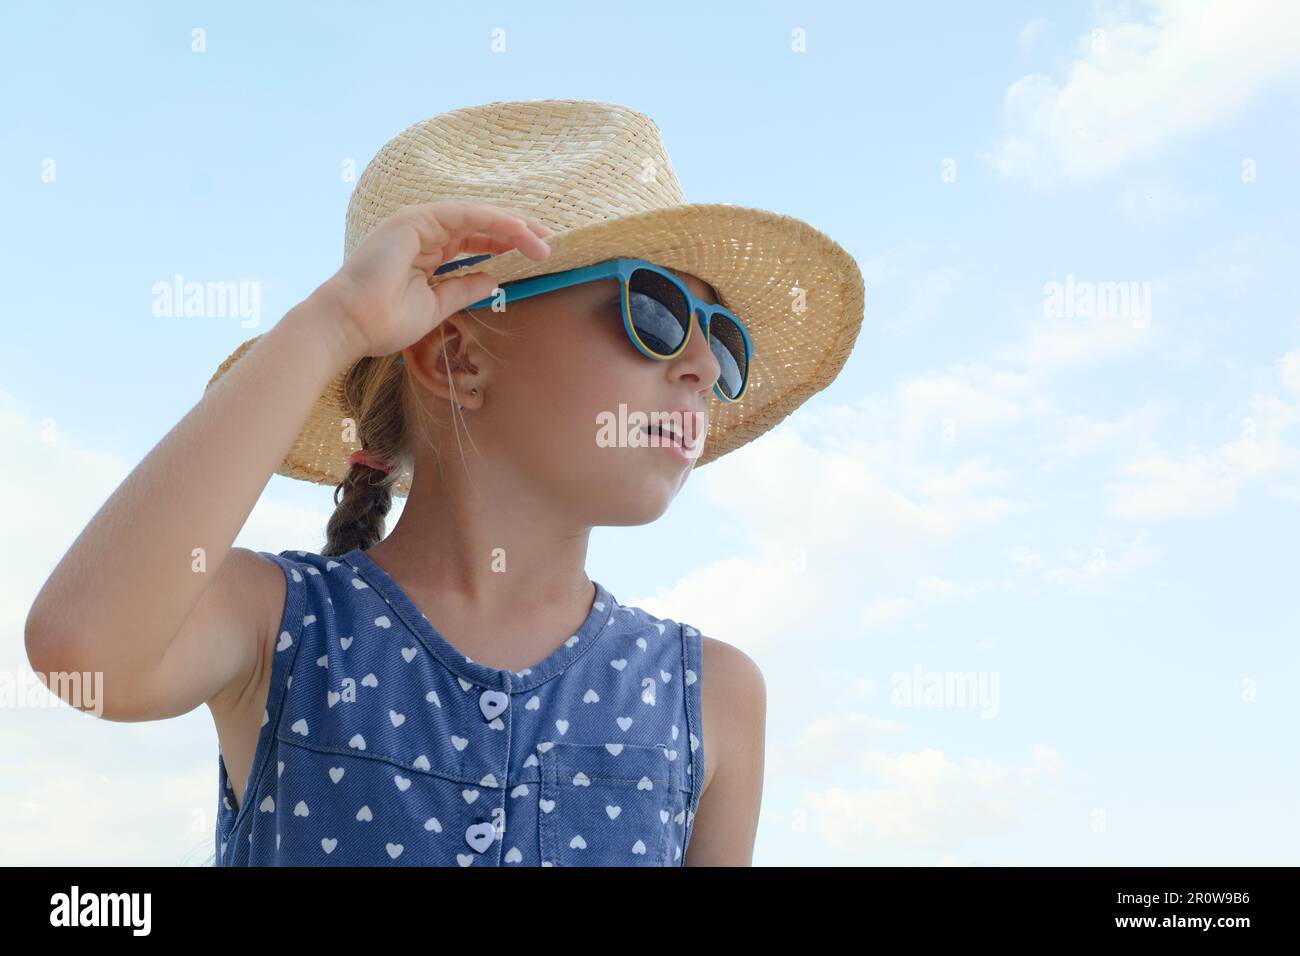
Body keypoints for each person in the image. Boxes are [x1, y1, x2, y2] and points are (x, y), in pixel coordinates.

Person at [25, 99, 865, 866]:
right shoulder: (279, 625)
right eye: (655, 313)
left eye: (722, 342)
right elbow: (82, 653)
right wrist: (336, 325)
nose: (699, 366)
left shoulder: (712, 694)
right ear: (457, 357)